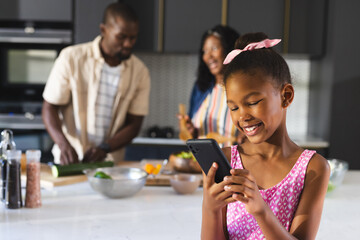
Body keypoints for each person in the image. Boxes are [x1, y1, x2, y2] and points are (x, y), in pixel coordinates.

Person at [201, 32, 330, 239]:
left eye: (252, 103)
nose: (243, 116)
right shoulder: (226, 161)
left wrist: (261, 211)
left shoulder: (313, 168)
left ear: (285, 96)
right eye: (233, 108)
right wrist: (210, 208)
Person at [42, 2, 151, 165]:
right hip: (69, 161)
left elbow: (135, 124)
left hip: (109, 162)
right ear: (103, 30)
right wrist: (64, 145)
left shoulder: (140, 72)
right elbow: (49, 107)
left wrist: (104, 148)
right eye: (121, 37)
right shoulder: (71, 58)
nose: (128, 44)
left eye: (133, 37)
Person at [179, 25, 242, 146]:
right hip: (201, 163)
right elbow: (195, 136)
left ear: (229, 50)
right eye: (205, 51)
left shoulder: (244, 88)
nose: (208, 56)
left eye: (214, 48)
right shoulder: (200, 88)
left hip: (234, 163)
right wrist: (190, 130)